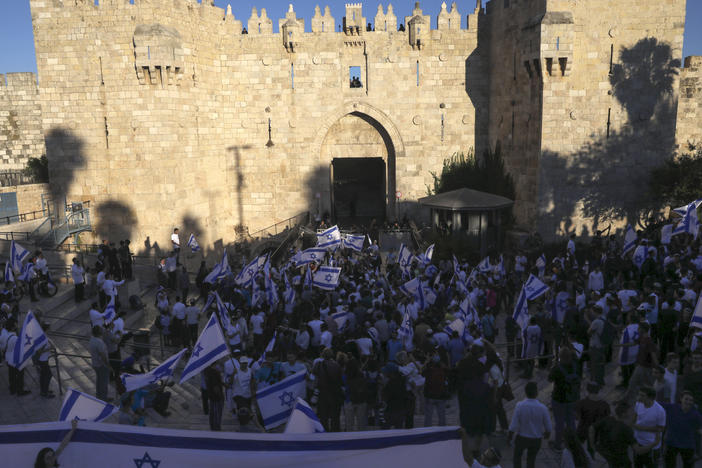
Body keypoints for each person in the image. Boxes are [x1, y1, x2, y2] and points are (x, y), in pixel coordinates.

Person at [508, 381, 552, 468]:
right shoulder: (543, 408)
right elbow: (549, 427)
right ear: (536, 393)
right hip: (536, 439)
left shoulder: (519, 406)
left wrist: (510, 436)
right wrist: (547, 434)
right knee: (531, 460)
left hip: (522, 438)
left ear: (525, 392)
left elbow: (513, 425)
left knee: (517, 457)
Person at [548, 348, 581, 450]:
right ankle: (573, 443)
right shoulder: (576, 366)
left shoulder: (557, 368)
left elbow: (549, 379)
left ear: (560, 357)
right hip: (573, 398)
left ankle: (558, 444)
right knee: (571, 421)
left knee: (559, 423)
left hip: (559, 398)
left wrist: (553, 366)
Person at [661, 391, 701, 468]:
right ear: (681, 399)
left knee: (688, 466)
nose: (688, 402)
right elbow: (655, 404)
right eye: (686, 399)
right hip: (671, 443)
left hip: (688, 445)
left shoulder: (695, 414)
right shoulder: (672, 408)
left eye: (691, 400)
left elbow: (700, 429)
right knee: (669, 465)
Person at [632, 386, 666, 468]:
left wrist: (641, 428)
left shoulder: (660, 411)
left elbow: (661, 428)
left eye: (642, 395)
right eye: (639, 394)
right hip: (638, 442)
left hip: (651, 446)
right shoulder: (638, 404)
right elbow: (635, 417)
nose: (639, 397)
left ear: (650, 398)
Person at [313, 348, 344, 432]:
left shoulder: (318, 365)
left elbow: (315, 380)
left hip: (322, 393)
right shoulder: (337, 365)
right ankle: (335, 431)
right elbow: (340, 380)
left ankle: (324, 432)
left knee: (323, 415)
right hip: (334, 393)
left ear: (322, 355)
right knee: (335, 415)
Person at [88, 325, 110, 401]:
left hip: (95, 363)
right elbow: (103, 356)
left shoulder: (92, 339)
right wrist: (108, 365)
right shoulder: (99, 342)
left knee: (99, 381)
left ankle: (99, 395)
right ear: (100, 332)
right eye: (102, 330)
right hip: (101, 365)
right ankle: (103, 398)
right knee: (104, 382)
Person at [204, 362, 224, 431]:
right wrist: (220, 396)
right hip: (216, 397)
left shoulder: (207, 371)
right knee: (217, 412)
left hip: (211, 395)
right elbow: (215, 386)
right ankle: (216, 427)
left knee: (212, 412)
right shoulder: (214, 372)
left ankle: (213, 426)